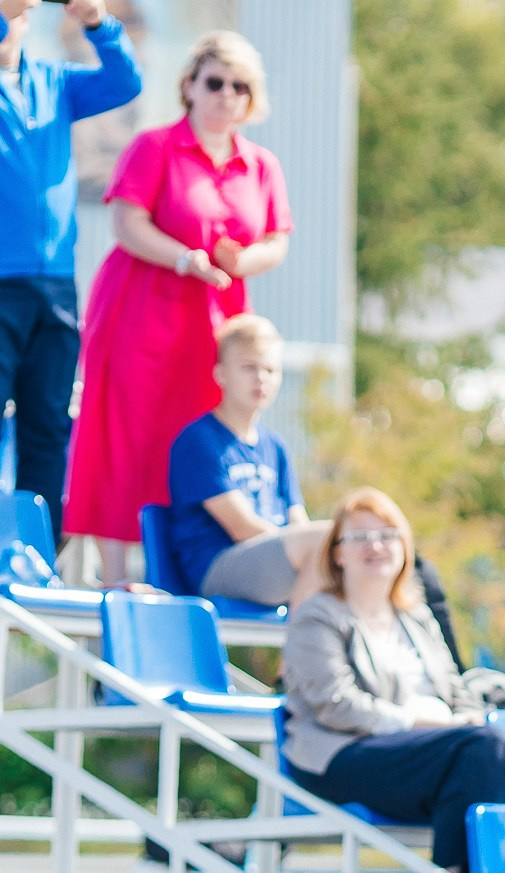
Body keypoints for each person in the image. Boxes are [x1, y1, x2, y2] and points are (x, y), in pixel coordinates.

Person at [281, 488, 505, 873]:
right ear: (336, 554)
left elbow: (457, 692)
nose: (375, 546)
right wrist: (427, 723)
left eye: (387, 534)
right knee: (483, 748)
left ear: (405, 547)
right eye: (359, 537)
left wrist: (464, 718)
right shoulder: (317, 617)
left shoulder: (415, 619)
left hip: (427, 751)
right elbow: (335, 704)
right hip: (343, 752)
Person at [66, 30, 290, 584]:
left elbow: (277, 240)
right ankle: (115, 573)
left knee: (194, 435)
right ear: (189, 86)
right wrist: (185, 259)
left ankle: (185, 567)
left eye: (239, 86)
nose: (226, 96)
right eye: (215, 83)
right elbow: (128, 223)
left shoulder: (259, 165)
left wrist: (246, 260)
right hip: (140, 310)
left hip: (213, 324)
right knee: (127, 433)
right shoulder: (156, 147)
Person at [0, 0, 139, 539]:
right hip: (1, 282)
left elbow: (123, 82)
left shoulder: (53, 81)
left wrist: (97, 24)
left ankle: (39, 549)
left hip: (55, 284)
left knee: (49, 423)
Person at [163, 315, 326, 608]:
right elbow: (242, 527)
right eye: (249, 367)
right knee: (330, 543)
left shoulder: (276, 446)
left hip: (276, 558)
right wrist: (303, 546)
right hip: (218, 566)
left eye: (270, 370)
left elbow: (297, 519)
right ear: (221, 374)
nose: (261, 378)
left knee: (357, 545)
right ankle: (304, 651)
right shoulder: (199, 440)